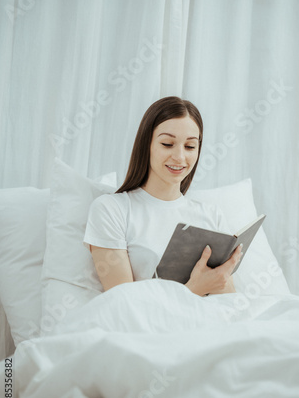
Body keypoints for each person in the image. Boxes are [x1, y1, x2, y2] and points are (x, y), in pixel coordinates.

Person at [83, 96, 242, 296]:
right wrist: (193, 290)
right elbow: (122, 305)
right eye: (167, 144)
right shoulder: (111, 210)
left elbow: (229, 300)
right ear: (146, 145)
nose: (180, 157)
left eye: (190, 146)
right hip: (152, 325)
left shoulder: (211, 215)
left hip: (214, 323)